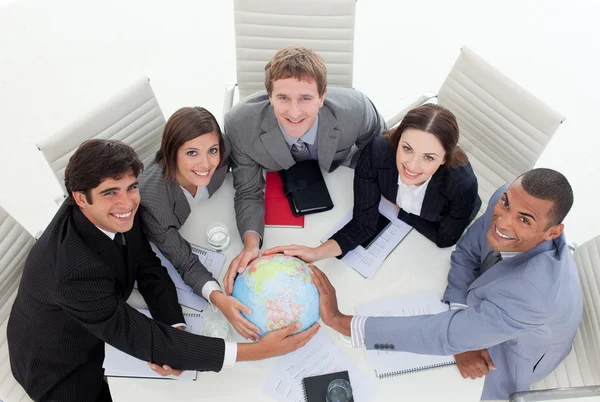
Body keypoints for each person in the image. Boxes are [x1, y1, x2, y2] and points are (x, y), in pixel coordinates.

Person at [7, 139, 319, 402]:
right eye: (110, 192)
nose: (127, 202)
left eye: (131, 187)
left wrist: (175, 325)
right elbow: (141, 337)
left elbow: (146, 265)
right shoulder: (73, 272)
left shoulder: (115, 213)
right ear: (79, 198)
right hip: (61, 366)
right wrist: (256, 352)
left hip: (100, 317)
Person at [309, 168, 582, 400]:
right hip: (486, 312)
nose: (504, 220)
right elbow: (467, 252)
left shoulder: (534, 296)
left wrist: (340, 321)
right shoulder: (508, 199)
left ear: (553, 233)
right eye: (506, 204)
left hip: (513, 354)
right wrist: (463, 320)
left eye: (524, 220)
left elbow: (442, 336)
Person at [223, 45, 386, 294]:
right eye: (283, 98)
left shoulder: (356, 111)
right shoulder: (241, 125)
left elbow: (377, 152)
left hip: (338, 185)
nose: (295, 112)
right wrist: (250, 245)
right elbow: (248, 191)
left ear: (322, 97)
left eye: (306, 98)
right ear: (269, 96)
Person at [266, 104, 481, 262]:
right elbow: (364, 222)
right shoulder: (377, 152)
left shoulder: (461, 184)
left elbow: (445, 238)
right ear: (397, 141)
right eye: (407, 149)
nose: (412, 166)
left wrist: (400, 211)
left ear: (444, 158)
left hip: (434, 229)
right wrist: (315, 253)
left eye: (429, 157)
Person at [138, 106, 259, 341]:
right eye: (192, 153)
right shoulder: (153, 201)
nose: (206, 164)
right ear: (172, 152)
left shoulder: (223, 149)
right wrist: (218, 297)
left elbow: (248, 185)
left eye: (212, 150)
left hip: (212, 218)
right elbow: (184, 262)